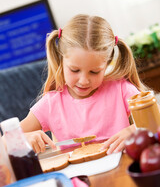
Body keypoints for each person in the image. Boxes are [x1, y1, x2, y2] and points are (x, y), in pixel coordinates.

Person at [21, 14, 147, 154]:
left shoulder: (121, 90)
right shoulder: (50, 104)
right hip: (77, 176)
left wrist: (134, 129)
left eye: (94, 72)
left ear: (106, 64)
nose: (83, 81)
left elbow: (155, 119)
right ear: (61, 60)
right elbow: (6, 140)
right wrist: (25, 137)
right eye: (75, 70)